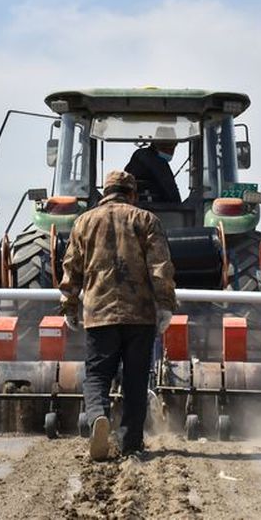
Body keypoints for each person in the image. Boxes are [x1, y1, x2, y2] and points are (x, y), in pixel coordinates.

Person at [59, 170, 177, 460]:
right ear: (132, 193)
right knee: (136, 380)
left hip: (100, 314)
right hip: (140, 316)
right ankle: (131, 442)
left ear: (105, 192)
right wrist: (165, 305)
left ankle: (98, 416)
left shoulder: (83, 222)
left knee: (97, 375)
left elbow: (71, 267)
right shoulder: (147, 220)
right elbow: (160, 268)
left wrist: (70, 305)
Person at [124, 139, 181, 203]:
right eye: (170, 148)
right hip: (151, 207)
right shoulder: (156, 160)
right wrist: (180, 208)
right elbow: (170, 189)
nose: (171, 152)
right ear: (158, 145)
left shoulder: (139, 154)